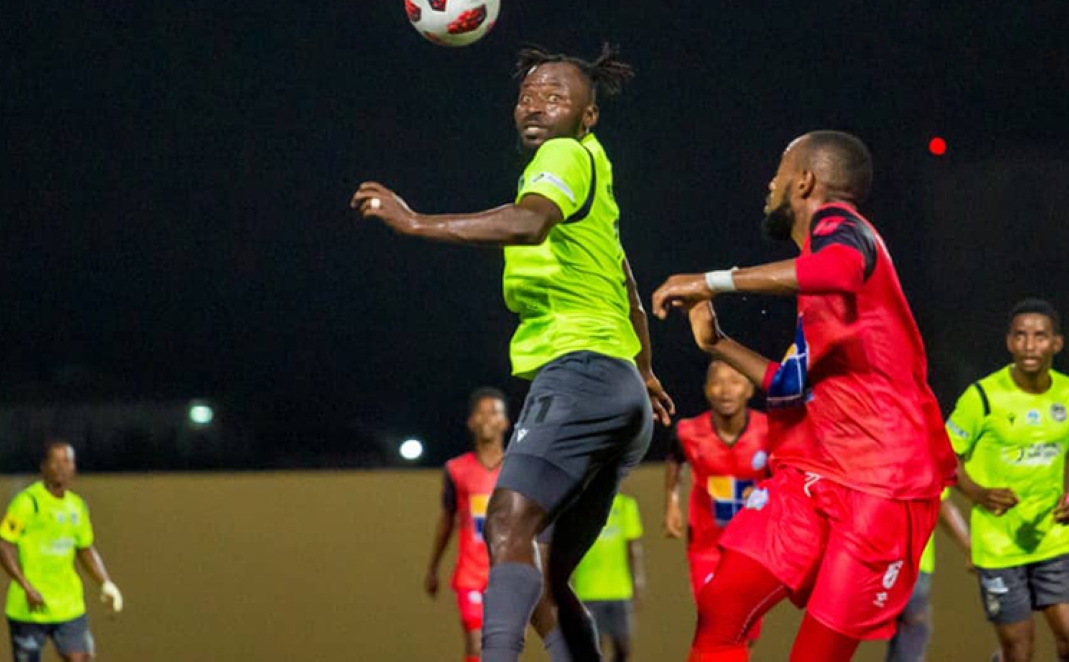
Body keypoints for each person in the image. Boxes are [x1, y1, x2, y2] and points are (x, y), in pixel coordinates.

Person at [351, 44, 673, 662]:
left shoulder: (563, 156)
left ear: (588, 117)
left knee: (504, 524)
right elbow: (627, 280)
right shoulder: (593, 171)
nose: (536, 105)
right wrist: (645, 372)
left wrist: (415, 222)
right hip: (617, 390)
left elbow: (528, 224)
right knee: (545, 578)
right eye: (528, 95)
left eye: (557, 97)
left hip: (579, 374)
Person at [652, 130, 957, 662]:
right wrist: (717, 344)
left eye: (779, 170)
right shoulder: (819, 295)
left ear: (806, 180)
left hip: (880, 488)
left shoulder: (842, 228)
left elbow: (837, 270)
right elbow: (790, 385)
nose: (770, 183)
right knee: (722, 608)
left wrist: (712, 280)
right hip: (813, 478)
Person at [946, 298, 1069, 662]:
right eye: (1020, 336)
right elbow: (942, 458)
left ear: (1056, 344)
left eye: (1039, 336)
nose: (1029, 345)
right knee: (1019, 652)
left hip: (1054, 540)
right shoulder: (983, 398)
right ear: (1009, 342)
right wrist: (978, 493)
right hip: (999, 544)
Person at [664, 360, 769, 642]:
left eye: (734, 382)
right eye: (717, 382)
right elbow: (675, 459)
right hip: (707, 545)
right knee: (714, 620)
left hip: (753, 548)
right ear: (706, 389)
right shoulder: (688, 432)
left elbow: (784, 473)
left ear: (749, 388)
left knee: (747, 629)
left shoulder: (768, 431)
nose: (725, 390)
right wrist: (671, 502)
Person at [0, 443, 123, 662]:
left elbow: (85, 548)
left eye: (67, 461)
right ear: (44, 467)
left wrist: (105, 583)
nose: (61, 468)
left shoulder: (77, 506)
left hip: (69, 606)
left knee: (81, 657)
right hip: (29, 608)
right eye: (55, 462)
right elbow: (3, 545)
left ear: (74, 467)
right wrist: (25, 585)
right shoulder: (27, 503)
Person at [424, 388, 510, 662]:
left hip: (509, 573)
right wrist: (433, 567)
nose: (487, 419)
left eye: (494, 412)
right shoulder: (456, 469)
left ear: (505, 421)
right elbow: (447, 519)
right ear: (471, 421)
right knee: (476, 643)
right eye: (481, 413)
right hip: (471, 574)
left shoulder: (518, 468)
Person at [884, 491, 971, 662]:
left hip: (903, 564)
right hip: (907, 563)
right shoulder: (927, 464)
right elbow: (942, 503)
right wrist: (969, 548)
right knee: (913, 628)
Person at [570, 493, 645, 662]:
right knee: (594, 647)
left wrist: (638, 580)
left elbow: (633, 547)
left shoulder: (626, 506)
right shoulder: (578, 506)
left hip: (620, 589)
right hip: (588, 589)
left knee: (623, 647)